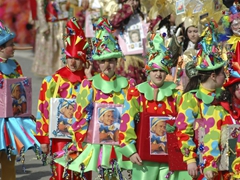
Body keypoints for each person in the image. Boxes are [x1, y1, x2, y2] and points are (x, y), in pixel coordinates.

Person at [55, 17, 135, 179]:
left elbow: (132, 115)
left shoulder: (127, 85)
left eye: (111, 60)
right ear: (98, 62)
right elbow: (80, 116)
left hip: (118, 143)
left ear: (117, 61)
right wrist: (78, 142)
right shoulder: (89, 84)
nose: (108, 65)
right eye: (103, 61)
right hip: (95, 143)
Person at [119, 32, 191, 180]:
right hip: (144, 157)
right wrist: (130, 150)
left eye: (162, 71)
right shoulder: (137, 93)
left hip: (171, 157)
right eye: (155, 70)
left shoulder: (176, 94)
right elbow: (126, 121)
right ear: (149, 71)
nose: (158, 74)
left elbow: (184, 123)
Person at [35, 17, 92, 180]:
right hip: (60, 136)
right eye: (69, 57)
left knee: (82, 173)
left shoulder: (90, 80)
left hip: (83, 138)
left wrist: (88, 80)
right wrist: (44, 139)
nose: (72, 62)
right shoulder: (54, 80)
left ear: (84, 60)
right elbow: (43, 110)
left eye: (77, 59)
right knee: (61, 174)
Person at [176, 20, 233, 180]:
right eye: (223, 73)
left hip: (229, 161)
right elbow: (183, 130)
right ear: (213, 76)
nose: (225, 77)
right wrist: (190, 159)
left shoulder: (226, 95)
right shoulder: (191, 98)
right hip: (203, 164)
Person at [0, 21, 40, 180]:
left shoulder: (15, 65)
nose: (14, 47)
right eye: (11, 45)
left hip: (12, 120)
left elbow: (21, 89)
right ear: (1, 47)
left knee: (9, 157)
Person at [111, 0, 148, 84]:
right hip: (125, 60)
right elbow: (113, 23)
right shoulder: (119, 15)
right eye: (131, 0)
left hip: (141, 59)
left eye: (136, 0)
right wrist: (126, 8)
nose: (134, 3)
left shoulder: (142, 16)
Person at [32, 0, 67, 77]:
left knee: (63, 47)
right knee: (51, 48)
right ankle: (49, 71)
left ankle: (63, 69)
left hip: (63, 23)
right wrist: (43, 25)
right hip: (50, 24)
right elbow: (40, 8)